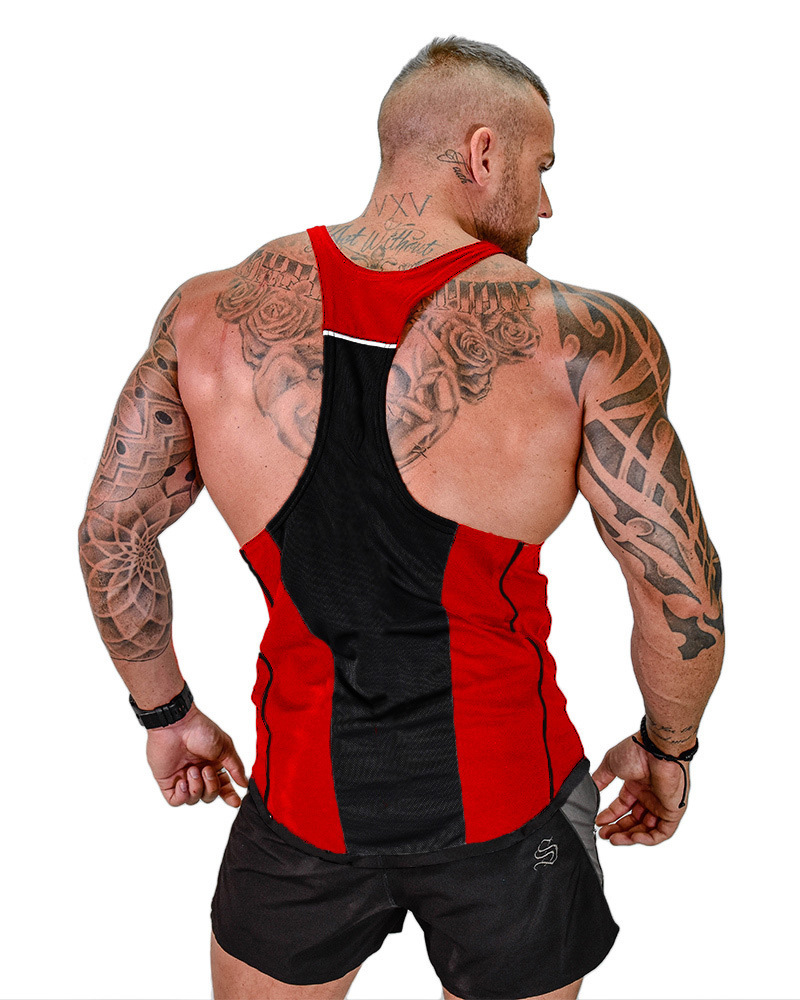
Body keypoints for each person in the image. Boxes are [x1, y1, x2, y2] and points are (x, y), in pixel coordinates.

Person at [78, 36, 724, 1000]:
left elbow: (111, 529)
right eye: (543, 168)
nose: (546, 206)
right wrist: (668, 749)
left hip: (298, 813)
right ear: (482, 152)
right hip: (514, 820)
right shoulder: (583, 340)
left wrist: (165, 714)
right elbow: (680, 591)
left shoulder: (209, 315)